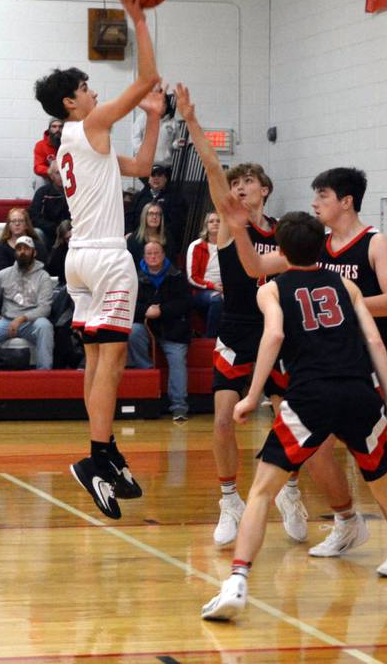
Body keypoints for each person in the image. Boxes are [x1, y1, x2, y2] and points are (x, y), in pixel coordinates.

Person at [200, 211, 387, 621]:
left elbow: (275, 335)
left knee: (262, 490)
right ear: (322, 248)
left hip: (309, 398)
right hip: (358, 394)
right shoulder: (347, 284)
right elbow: (374, 339)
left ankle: (237, 583)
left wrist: (253, 395)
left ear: (280, 250)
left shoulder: (272, 290)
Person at [221, 164, 387, 576]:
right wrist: (238, 227)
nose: (314, 203)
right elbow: (256, 267)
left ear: (345, 201)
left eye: (322, 196)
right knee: (316, 452)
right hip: (330, 364)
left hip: (372, 360)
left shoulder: (376, 243)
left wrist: (344, 307)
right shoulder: (317, 245)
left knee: (378, 458)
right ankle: (346, 521)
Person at [33, 0, 162, 520]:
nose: (93, 93)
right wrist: (138, 19)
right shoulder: (88, 125)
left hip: (78, 260)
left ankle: (103, 451)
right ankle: (97, 456)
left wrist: (154, 118)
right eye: (87, 87)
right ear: (72, 101)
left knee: (95, 361)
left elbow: (137, 169)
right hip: (107, 258)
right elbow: (147, 78)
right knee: (112, 361)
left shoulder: (72, 142)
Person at [175, 86, 308, 547]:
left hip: (280, 332)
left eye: (246, 182)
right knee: (223, 419)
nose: (237, 188)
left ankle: (291, 490)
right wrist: (192, 121)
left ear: (264, 189)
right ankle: (229, 500)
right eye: (233, 185)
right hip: (235, 329)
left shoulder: (287, 233)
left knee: (286, 418)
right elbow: (212, 166)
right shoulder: (233, 228)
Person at [127, 240, 193, 421]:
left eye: (157, 253)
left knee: (178, 360)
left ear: (163, 255)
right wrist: (146, 311)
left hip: (174, 329)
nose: (153, 256)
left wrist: (162, 310)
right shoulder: (135, 278)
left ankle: (179, 406)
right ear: (144, 257)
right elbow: (130, 304)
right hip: (146, 327)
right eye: (149, 253)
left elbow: (186, 303)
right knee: (133, 332)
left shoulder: (177, 275)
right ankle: (148, 376)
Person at [0, 236, 55, 370]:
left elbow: (45, 308)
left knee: (45, 327)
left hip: (32, 321)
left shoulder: (43, 277)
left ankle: (44, 373)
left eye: (26, 249)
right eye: (19, 249)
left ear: (34, 253)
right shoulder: (3, 274)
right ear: (15, 253)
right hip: (6, 320)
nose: (22, 252)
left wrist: (21, 318)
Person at [125, 163, 187, 254]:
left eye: (159, 175)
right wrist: (129, 232)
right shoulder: (139, 197)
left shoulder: (175, 199)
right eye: (153, 175)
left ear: (165, 179)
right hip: (138, 240)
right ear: (149, 179)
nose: (156, 178)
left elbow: (177, 223)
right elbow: (128, 216)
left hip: (163, 241)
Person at [185, 211, 223, 338]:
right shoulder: (196, 246)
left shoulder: (229, 246)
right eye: (211, 221)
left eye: (218, 221)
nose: (215, 224)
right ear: (206, 225)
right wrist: (213, 286)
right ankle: (210, 337)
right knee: (217, 299)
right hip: (201, 290)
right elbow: (192, 277)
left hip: (225, 288)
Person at [131, 90, 180, 168]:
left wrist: (177, 144)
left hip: (165, 166)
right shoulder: (142, 118)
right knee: (151, 179)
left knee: (161, 179)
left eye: (163, 102)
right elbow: (135, 138)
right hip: (145, 165)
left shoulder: (173, 122)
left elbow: (175, 142)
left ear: (167, 105)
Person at [0, 208, 48, 274]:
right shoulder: (2, 246)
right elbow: (0, 272)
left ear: (26, 225)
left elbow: (42, 270)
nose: (17, 224)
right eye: (13, 221)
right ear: (9, 225)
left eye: (21, 221)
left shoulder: (38, 246)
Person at [29, 162, 70, 248]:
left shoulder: (75, 194)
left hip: (70, 232)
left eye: (64, 172)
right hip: (48, 233)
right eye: (58, 173)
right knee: (37, 232)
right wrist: (55, 228)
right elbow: (34, 218)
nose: (62, 176)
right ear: (51, 176)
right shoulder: (42, 193)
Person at [45, 219, 71, 285]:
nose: (71, 241)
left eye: (71, 237)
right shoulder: (57, 252)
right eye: (67, 239)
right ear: (63, 239)